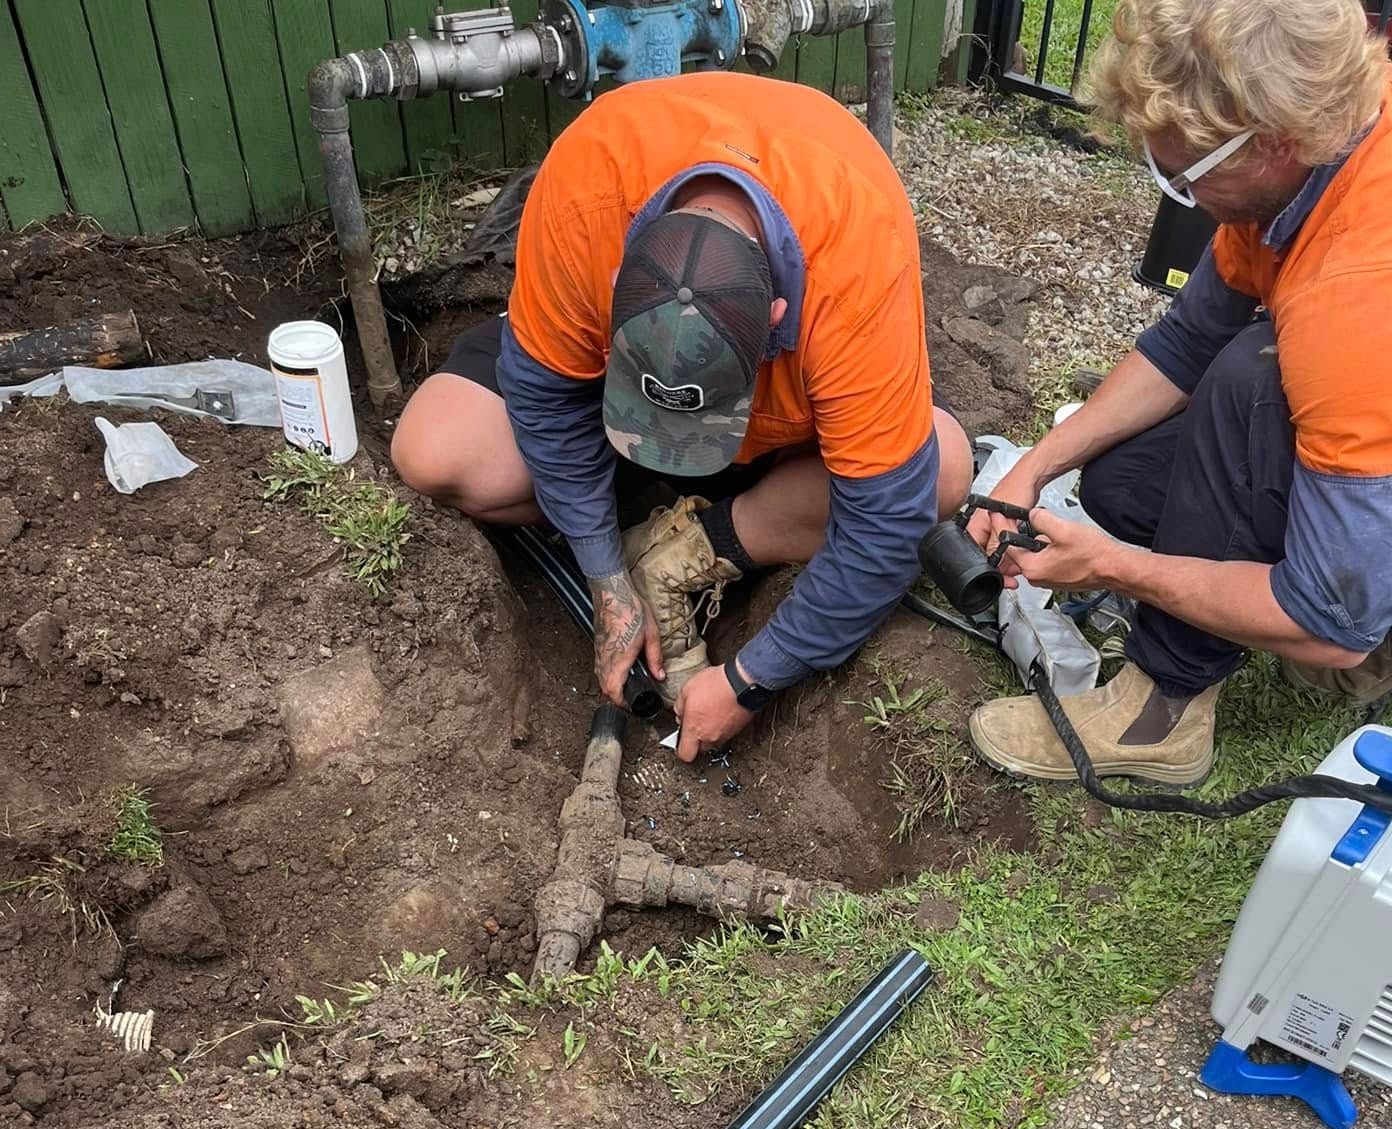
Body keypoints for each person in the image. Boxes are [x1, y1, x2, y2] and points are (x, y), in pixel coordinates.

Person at [968, 0, 1392, 789]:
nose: (1168, 179)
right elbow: (1186, 341)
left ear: (1273, 143)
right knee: (1124, 481)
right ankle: (1312, 593)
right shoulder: (1330, 134)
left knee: (1253, 383)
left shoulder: (1375, 298)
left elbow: (1333, 623)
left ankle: (1162, 711)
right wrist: (1034, 467)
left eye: (1183, 171)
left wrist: (1118, 569)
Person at [392, 71, 972, 763]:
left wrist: (751, 679)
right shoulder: (587, 190)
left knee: (944, 470)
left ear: (776, 319)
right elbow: (546, 400)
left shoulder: (856, 268)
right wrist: (607, 580)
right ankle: (627, 521)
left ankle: (684, 548)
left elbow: (885, 524)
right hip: (604, 400)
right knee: (435, 451)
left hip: (785, 429)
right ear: (613, 286)